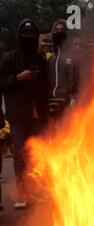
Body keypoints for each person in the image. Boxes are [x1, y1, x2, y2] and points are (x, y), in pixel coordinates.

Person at [0, 19, 48, 209]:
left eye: (32, 35)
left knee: (36, 156)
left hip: (37, 116)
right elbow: (2, 83)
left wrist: (47, 116)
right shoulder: (9, 59)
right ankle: (22, 194)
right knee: (20, 155)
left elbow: (45, 88)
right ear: (19, 36)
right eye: (25, 35)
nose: (29, 38)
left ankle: (34, 191)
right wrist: (18, 78)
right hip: (18, 116)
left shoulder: (40, 60)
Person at [48, 19, 81, 120]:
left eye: (62, 30)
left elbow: (81, 80)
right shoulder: (51, 57)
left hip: (68, 104)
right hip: (51, 102)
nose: (59, 32)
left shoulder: (75, 55)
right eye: (56, 30)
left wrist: (75, 98)